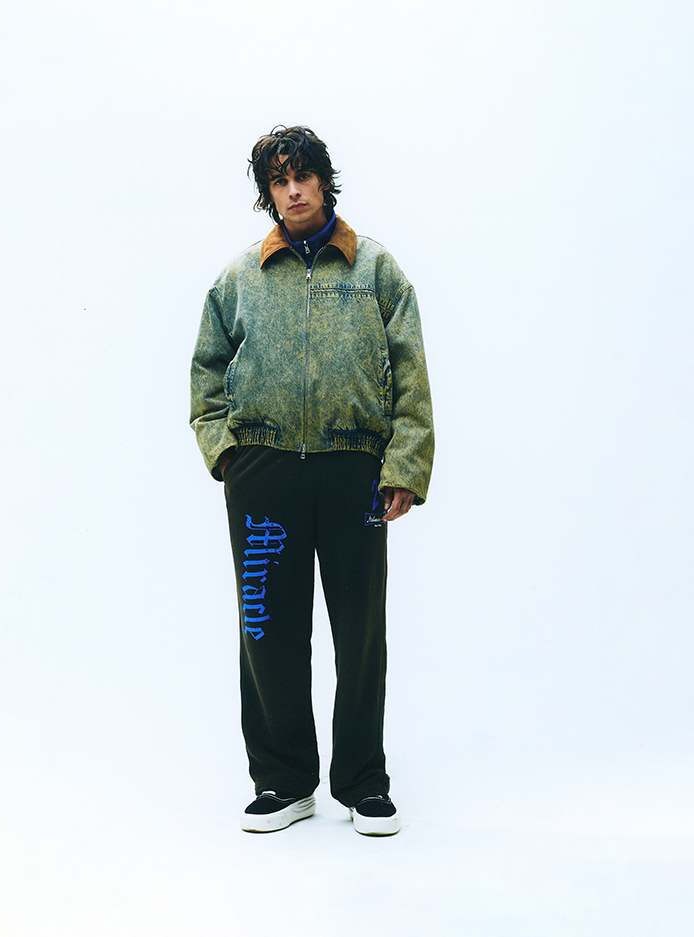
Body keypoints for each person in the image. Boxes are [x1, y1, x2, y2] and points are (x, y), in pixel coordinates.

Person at [190, 126, 434, 835]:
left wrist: (404, 465)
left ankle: (362, 783)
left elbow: (411, 374)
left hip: (354, 469)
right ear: (268, 193)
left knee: (360, 631)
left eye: (303, 176)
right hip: (263, 473)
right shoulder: (241, 277)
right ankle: (283, 782)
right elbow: (206, 370)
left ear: (325, 181)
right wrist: (226, 453)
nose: (293, 190)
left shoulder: (375, 269)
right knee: (268, 628)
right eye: (279, 180)